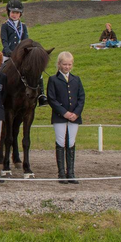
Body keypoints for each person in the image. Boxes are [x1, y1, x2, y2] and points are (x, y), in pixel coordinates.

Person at [47, 51, 85, 184]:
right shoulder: (53, 79)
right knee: (61, 142)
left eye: (69, 64)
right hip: (60, 117)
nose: (67, 67)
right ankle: (61, 173)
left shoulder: (76, 79)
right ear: (59, 64)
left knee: (71, 143)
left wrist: (76, 113)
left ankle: (71, 172)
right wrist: (64, 113)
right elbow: (52, 99)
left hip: (74, 117)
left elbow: (81, 98)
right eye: (64, 64)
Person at [0, 0, 47, 106]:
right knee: (0, 71)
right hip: (9, 54)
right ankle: (0, 94)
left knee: (36, 70)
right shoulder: (5, 26)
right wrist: (8, 51)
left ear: (20, 14)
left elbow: (26, 40)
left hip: (21, 55)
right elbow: (4, 40)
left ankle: (42, 95)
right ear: (9, 12)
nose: (14, 15)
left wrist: (26, 52)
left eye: (17, 13)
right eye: (12, 12)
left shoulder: (23, 26)